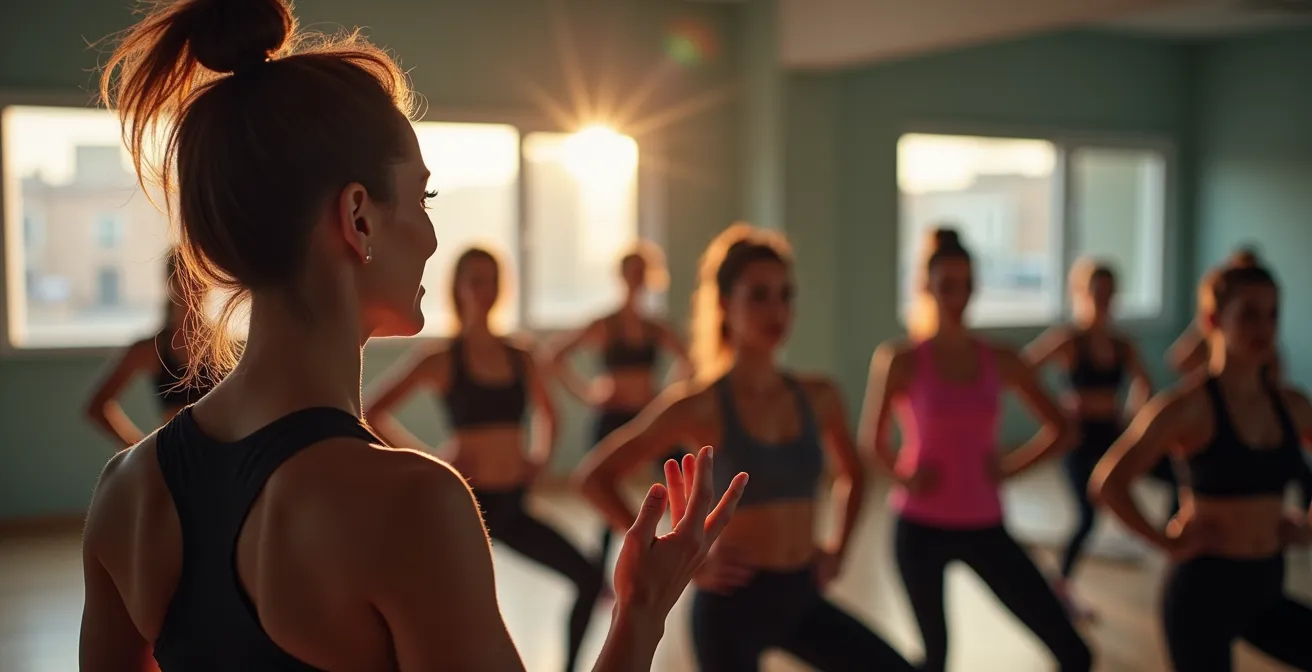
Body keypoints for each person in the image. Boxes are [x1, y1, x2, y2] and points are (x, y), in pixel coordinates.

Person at [78, 0, 747, 670]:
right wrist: (642, 612)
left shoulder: (126, 491)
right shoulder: (411, 503)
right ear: (359, 219)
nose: (431, 235)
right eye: (422, 199)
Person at [578, 224, 914, 672]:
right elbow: (594, 478)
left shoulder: (820, 396)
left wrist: (839, 549)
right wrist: (686, 563)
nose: (776, 309)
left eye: (785, 295)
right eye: (758, 295)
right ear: (723, 304)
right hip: (730, 606)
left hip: (803, 594)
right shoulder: (698, 406)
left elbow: (856, 473)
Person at [860, 228, 1092, 672]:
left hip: (984, 523)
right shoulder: (901, 359)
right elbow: (872, 443)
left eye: (965, 284)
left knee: (1075, 652)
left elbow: (1063, 429)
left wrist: (1010, 466)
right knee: (936, 659)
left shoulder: (999, 358)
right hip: (919, 528)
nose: (957, 296)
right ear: (927, 287)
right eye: (946, 285)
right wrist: (906, 477)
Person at [365, 246, 604, 672]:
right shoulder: (440, 359)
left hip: (512, 505)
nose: (483, 289)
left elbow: (552, 415)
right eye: (474, 280)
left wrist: (538, 460)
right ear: (458, 289)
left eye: (491, 279)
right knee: (447, 612)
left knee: (589, 579)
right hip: (464, 507)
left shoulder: (521, 355)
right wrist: (431, 461)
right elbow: (372, 410)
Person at [1092, 260, 1312, 672]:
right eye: (1248, 313)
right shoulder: (1187, 408)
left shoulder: (1292, 406)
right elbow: (1108, 483)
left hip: (1266, 585)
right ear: (1213, 319)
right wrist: (1165, 542)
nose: (1263, 327)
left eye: (1272, 314)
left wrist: (1308, 525)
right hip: (1202, 596)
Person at [1023, 259, 1153, 617]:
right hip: (1077, 439)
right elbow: (1022, 370)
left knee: (1166, 477)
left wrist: (1131, 417)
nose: (1104, 300)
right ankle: (1060, 586)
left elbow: (1145, 382)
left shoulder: (1122, 345)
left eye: (1109, 294)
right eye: (1097, 293)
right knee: (1087, 516)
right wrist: (1053, 412)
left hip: (1110, 437)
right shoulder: (1068, 340)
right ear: (1082, 294)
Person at [550, 241, 692, 566]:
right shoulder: (605, 323)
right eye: (631, 272)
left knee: (682, 475)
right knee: (603, 485)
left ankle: (683, 549)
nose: (635, 279)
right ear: (621, 276)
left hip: (646, 416)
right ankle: (601, 566)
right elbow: (555, 356)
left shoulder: (654, 327)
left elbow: (689, 359)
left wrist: (668, 394)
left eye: (641, 272)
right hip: (611, 416)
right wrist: (588, 393)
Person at [85, 250, 216, 448]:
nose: (193, 288)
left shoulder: (224, 347)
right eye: (186, 279)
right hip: (175, 461)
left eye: (199, 279)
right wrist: (140, 450)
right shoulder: (150, 349)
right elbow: (97, 406)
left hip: (221, 463)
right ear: (171, 283)